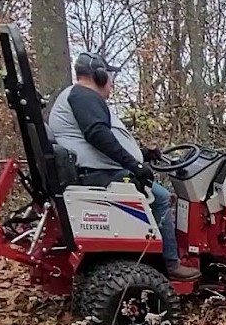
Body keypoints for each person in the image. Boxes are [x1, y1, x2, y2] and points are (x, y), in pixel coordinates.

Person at [48, 51, 200, 280]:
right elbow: (97, 134)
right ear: (99, 76)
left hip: (90, 170)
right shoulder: (84, 95)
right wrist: (135, 166)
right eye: (110, 75)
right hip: (94, 175)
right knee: (160, 197)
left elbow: (102, 141)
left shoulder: (76, 96)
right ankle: (171, 264)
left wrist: (143, 155)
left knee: (155, 192)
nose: (111, 82)